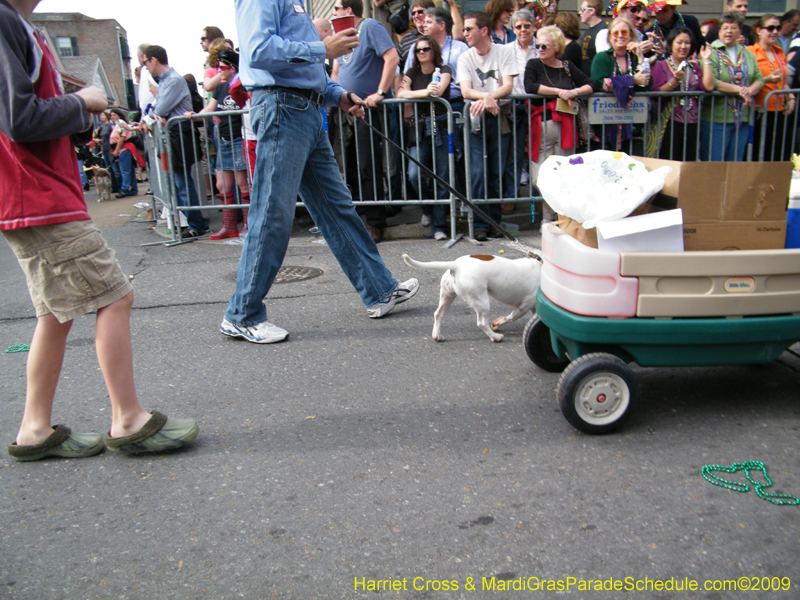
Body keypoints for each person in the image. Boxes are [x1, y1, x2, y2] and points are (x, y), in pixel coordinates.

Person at [1, 0, 198, 461]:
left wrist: (80, 112)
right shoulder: (6, 23)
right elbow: (20, 119)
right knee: (114, 296)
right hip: (40, 199)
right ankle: (127, 417)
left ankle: (34, 428)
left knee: (56, 311)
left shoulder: (19, 26)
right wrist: (81, 101)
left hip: (30, 199)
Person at [224, 0, 419, 344]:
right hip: (283, 108)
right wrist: (321, 48)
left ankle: (379, 290)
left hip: (306, 110)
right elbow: (258, 51)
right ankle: (242, 314)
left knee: (336, 208)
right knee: (272, 215)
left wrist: (337, 93)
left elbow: (305, 72)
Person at [331, 0, 400, 243]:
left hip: (367, 108)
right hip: (346, 108)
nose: (334, 13)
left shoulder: (370, 27)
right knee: (349, 165)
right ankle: (360, 216)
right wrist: (336, 96)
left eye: (337, 8)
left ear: (348, 10)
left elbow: (392, 57)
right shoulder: (344, 37)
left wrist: (380, 92)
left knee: (367, 164)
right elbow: (336, 72)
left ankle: (375, 221)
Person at [525, 25, 598, 222]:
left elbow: (591, 84)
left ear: (556, 46)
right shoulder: (533, 64)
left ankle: (560, 219)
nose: (540, 49)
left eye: (545, 46)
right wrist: (558, 91)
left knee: (565, 176)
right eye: (538, 45)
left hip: (566, 125)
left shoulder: (566, 66)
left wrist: (575, 92)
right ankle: (548, 218)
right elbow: (530, 86)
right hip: (542, 124)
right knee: (539, 177)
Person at [457, 11, 518, 242]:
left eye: (469, 29)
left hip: (498, 116)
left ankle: (494, 222)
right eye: (463, 29)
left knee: (496, 171)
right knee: (477, 172)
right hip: (475, 116)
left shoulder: (504, 51)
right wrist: (488, 97)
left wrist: (487, 98)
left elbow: (508, 85)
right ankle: (480, 223)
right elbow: (465, 90)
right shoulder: (465, 57)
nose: (465, 33)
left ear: (484, 30)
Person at [143, 45, 210, 237]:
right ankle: (194, 222)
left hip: (179, 134)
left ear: (153, 60)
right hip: (174, 134)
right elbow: (157, 109)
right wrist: (156, 113)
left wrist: (157, 114)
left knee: (182, 182)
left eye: (146, 62)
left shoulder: (173, 80)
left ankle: (196, 224)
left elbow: (160, 108)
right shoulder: (167, 81)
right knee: (178, 181)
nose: (146, 67)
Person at [185, 47, 251, 240]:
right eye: (218, 66)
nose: (219, 70)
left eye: (222, 67)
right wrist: (195, 116)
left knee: (242, 184)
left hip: (238, 138)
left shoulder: (243, 85)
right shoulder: (221, 87)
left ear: (232, 68)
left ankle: (247, 226)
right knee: (222, 184)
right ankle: (228, 226)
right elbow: (210, 108)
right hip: (222, 140)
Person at [397, 36, 452, 240]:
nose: (422, 53)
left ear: (434, 51)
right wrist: (424, 92)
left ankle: (440, 226)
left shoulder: (444, 69)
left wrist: (419, 93)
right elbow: (401, 92)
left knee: (442, 176)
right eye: (418, 50)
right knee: (414, 173)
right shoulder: (412, 72)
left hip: (442, 124)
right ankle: (428, 208)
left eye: (426, 49)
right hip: (420, 126)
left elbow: (439, 90)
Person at [699, 11, 764, 161]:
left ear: (740, 31)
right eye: (725, 27)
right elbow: (711, 82)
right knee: (714, 163)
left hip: (742, 118)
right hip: (716, 118)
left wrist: (749, 90)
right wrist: (739, 90)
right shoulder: (711, 52)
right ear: (719, 30)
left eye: (733, 28)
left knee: (735, 164)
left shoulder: (747, 53)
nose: (729, 31)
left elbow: (759, 78)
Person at [591, 16, 651, 154]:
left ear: (631, 35)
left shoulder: (635, 58)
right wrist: (633, 81)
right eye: (615, 33)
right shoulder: (602, 58)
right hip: (607, 122)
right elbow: (600, 83)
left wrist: (641, 57)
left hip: (632, 122)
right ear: (610, 37)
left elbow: (647, 83)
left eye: (624, 32)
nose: (620, 36)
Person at [650, 27, 708, 160]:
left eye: (687, 43)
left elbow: (706, 86)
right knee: (669, 159)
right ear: (671, 44)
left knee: (689, 161)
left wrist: (706, 61)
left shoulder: (694, 67)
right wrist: (674, 81)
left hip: (692, 122)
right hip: (669, 122)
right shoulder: (661, 66)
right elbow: (655, 92)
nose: (683, 46)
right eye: (679, 42)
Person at [748, 14, 796, 161]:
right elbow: (746, 81)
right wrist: (767, 79)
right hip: (758, 111)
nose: (775, 31)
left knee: (777, 154)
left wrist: (791, 97)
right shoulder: (750, 52)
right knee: (759, 154)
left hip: (779, 110)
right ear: (758, 31)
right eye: (770, 28)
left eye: (778, 28)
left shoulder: (779, 52)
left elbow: (783, 80)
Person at [108, 108, 143, 198]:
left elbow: (121, 137)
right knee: (129, 170)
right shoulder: (117, 124)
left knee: (125, 170)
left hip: (123, 148)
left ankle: (124, 189)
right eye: (111, 115)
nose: (112, 117)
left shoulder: (120, 123)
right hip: (122, 148)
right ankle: (133, 189)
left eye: (114, 115)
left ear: (119, 115)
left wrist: (116, 150)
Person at [578, 0, 606, 76]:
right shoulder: (588, 31)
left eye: (582, 10)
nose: (580, 12)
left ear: (592, 11)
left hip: (595, 79)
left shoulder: (603, 31)